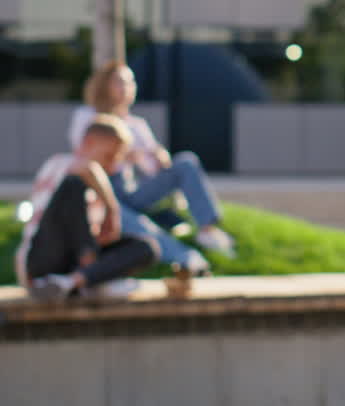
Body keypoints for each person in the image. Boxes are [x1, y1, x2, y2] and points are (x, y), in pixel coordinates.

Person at [71, 61, 235, 259]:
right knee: (140, 226)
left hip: (129, 188)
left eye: (130, 82)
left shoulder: (137, 125)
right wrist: (125, 152)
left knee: (185, 162)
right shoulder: (88, 116)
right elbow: (85, 153)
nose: (126, 88)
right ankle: (186, 259)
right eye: (119, 82)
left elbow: (150, 168)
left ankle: (207, 231)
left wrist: (158, 158)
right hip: (99, 189)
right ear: (104, 85)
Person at [15, 116, 160, 300]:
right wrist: (112, 207)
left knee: (146, 247)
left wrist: (100, 239)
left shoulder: (98, 189)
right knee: (74, 185)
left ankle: (71, 282)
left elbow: (95, 235)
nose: (114, 165)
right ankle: (81, 281)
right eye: (109, 156)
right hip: (43, 258)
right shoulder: (60, 164)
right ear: (88, 143)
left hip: (75, 262)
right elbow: (85, 169)